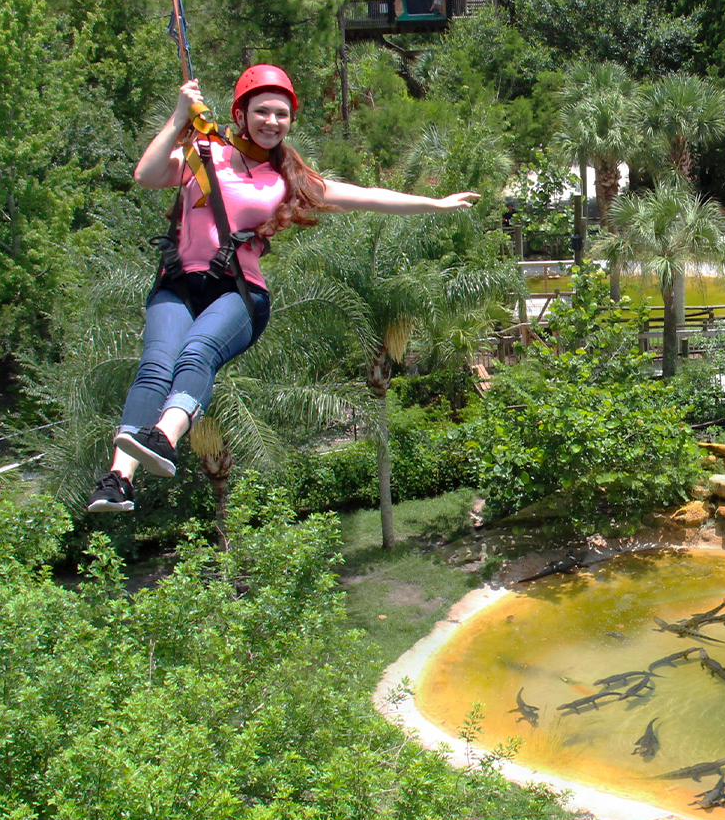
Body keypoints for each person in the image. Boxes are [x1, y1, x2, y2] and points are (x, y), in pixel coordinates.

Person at [87, 64, 480, 512]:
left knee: (197, 352)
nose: (272, 121)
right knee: (156, 362)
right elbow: (146, 174)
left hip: (237, 292)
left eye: (281, 114)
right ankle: (119, 480)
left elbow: (366, 194)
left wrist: (434, 203)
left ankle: (166, 436)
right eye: (262, 112)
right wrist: (179, 117)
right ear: (240, 113)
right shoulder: (203, 154)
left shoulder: (286, 178)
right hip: (177, 282)